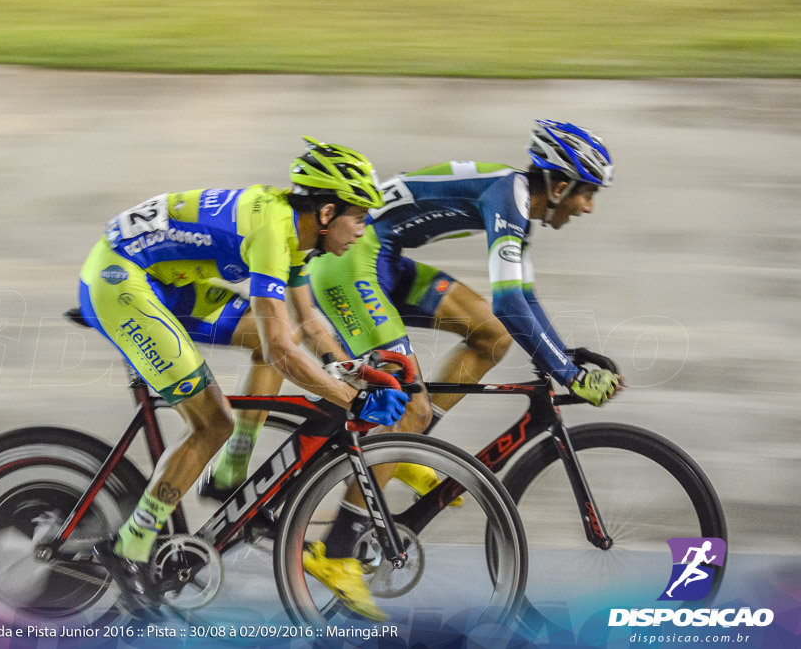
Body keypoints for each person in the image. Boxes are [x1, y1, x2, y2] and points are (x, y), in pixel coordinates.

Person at [76, 137, 408, 616]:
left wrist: (354, 370)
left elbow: (308, 324)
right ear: (328, 212)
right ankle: (129, 546)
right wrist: (348, 400)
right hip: (120, 282)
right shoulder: (274, 235)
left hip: (161, 279)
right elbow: (281, 353)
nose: (363, 229)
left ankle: (231, 468)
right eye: (359, 216)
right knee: (212, 421)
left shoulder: (296, 230)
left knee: (268, 335)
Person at [301, 120, 624, 575]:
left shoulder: (513, 199)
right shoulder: (507, 198)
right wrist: (569, 376)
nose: (587, 207)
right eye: (587, 193)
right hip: (348, 264)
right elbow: (511, 301)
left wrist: (565, 357)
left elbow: (521, 299)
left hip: (382, 258)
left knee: (491, 335)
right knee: (408, 407)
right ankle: (336, 552)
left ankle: (405, 444)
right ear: (560, 184)